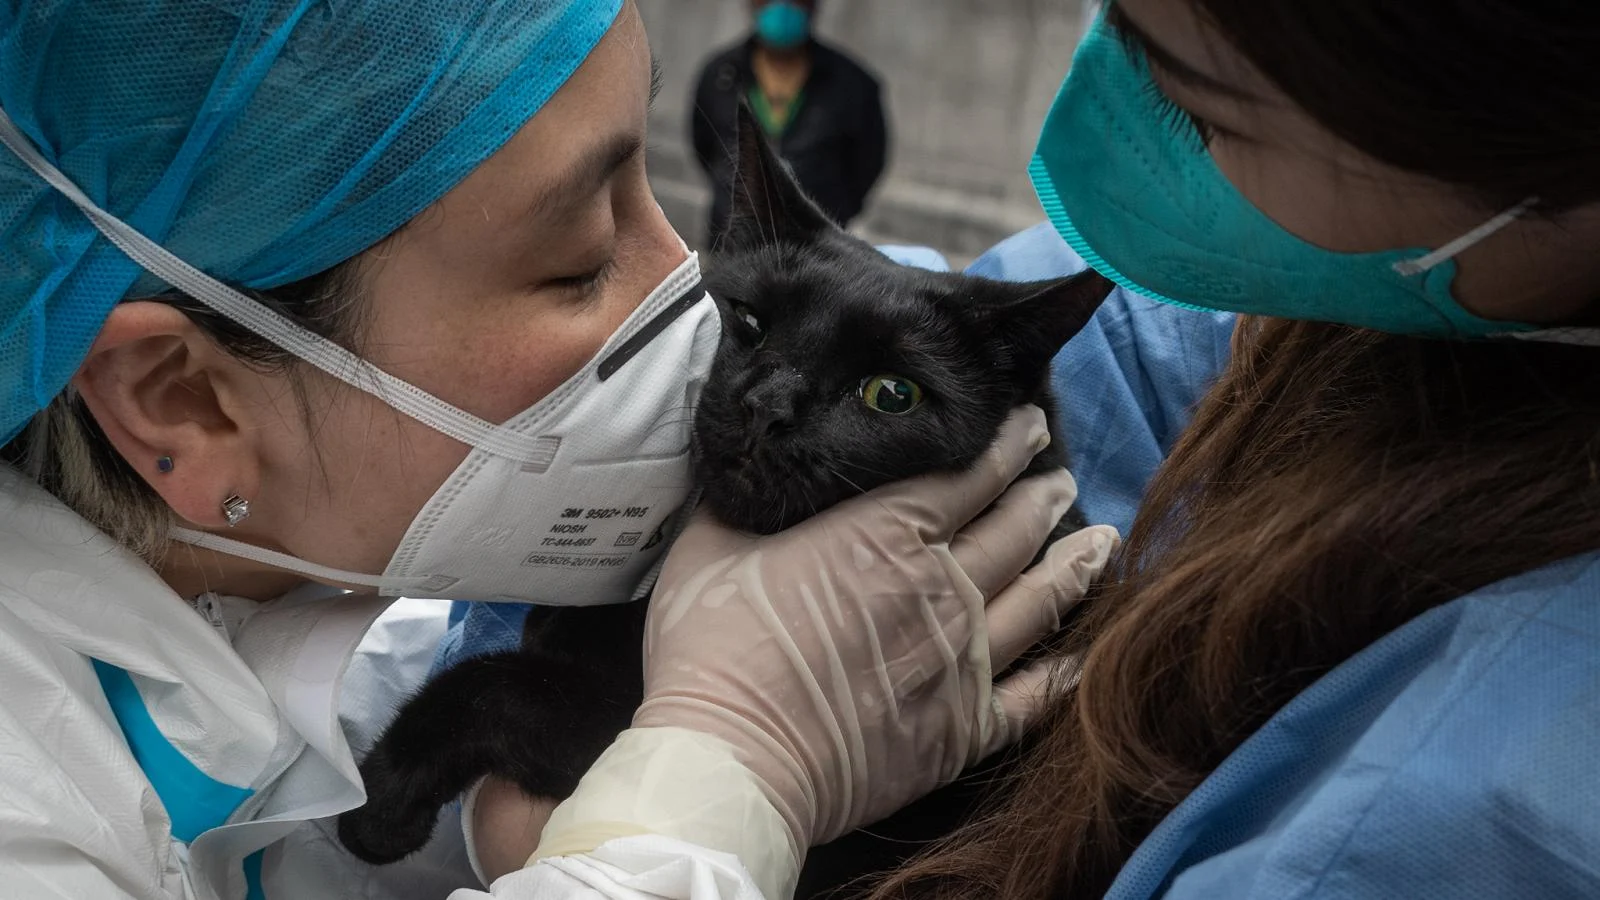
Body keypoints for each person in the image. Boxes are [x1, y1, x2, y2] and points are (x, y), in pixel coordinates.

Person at [0, 1, 1114, 898]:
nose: (683, 300)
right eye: (581, 261)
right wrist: (721, 779)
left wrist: (512, 818)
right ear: (185, 401)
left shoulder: (295, 610)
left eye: (663, 210)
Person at [690, 0, 888, 247]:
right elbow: (704, 146)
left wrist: (831, 209)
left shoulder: (853, 85)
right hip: (731, 242)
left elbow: (867, 163)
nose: (782, 6)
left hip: (815, 247)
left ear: (814, 6)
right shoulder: (720, 75)